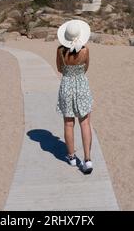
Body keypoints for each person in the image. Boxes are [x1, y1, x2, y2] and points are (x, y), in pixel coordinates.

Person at [56, 19, 94, 174]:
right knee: (85, 123)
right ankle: (87, 159)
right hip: (82, 85)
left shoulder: (60, 51)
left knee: (68, 124)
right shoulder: (85, 50)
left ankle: (71, 157)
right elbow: (86, 68)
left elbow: (59, 68)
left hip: (66, 86)